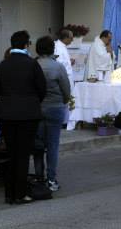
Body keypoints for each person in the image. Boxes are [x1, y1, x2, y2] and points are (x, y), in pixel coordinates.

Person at [0, 30, 46, 204]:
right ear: (26, 44)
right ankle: (20, 193)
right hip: (28, 115)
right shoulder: (32, 64)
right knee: (23, 154)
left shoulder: (3, 64)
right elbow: (42, 89)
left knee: (11, 153)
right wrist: (31, 102)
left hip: (7, 115)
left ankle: (9, 193)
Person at [33, 36, 71, 192]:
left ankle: (38, 176)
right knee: (53, 145)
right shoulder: (58, 67)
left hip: (37, 108)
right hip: (55, 107)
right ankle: (51, 179)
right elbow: (66, 90)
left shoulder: (33, 65)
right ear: (52, 49)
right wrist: (64, 100)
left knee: (38, 145)